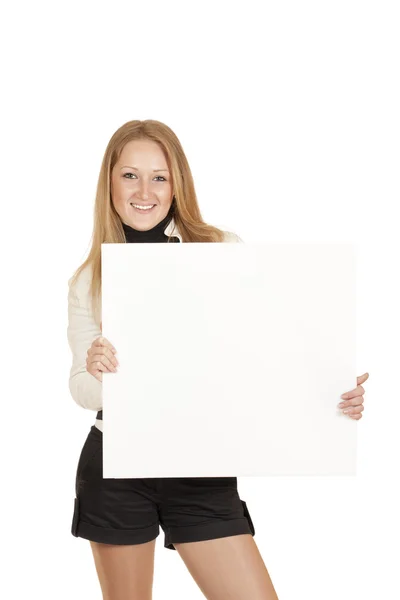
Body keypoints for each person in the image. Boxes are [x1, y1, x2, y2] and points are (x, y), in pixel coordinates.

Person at [67, 119, 368, 600]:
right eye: (130, 175)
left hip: (201, 466)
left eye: (159, 177)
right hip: (117, 467)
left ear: (176, 185)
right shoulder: (89, 279)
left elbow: (266, 354)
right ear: (110, 181)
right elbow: (81, 389)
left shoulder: (220, 250)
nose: (144, 190)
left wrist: (330, 393)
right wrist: (102, 371)